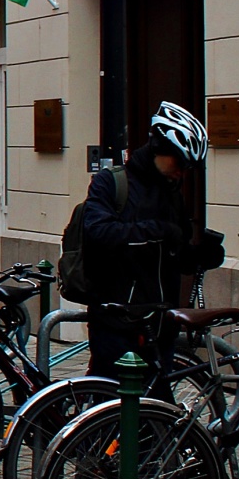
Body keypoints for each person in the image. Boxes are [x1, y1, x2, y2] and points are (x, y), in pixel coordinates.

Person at [79, 101, 211, 386]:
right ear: (159, 149)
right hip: (117, 322)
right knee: (112, 408)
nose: (182, 173)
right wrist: (157, 230)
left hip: (160, 325)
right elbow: (99, 232)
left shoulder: (172, 194)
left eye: (188, 167)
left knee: (156, 413)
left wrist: (199, 256)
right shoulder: (112, 183)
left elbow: (174, 252)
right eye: (179, 163)